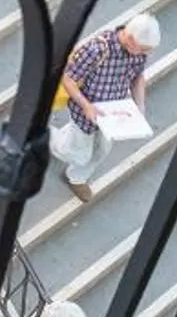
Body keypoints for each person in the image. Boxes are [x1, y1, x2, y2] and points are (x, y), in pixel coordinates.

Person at [49, 11, 160, 201]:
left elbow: (138, 76)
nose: (145, 54)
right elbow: (68, 79)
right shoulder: (96, 49)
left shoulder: (138, 53)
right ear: (130, 39)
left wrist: (139, 105)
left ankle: (76, 178)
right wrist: (86, 106)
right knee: (75, 153)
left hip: (113, 112)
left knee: (101, 150)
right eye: (143, 50)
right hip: (85, 113)